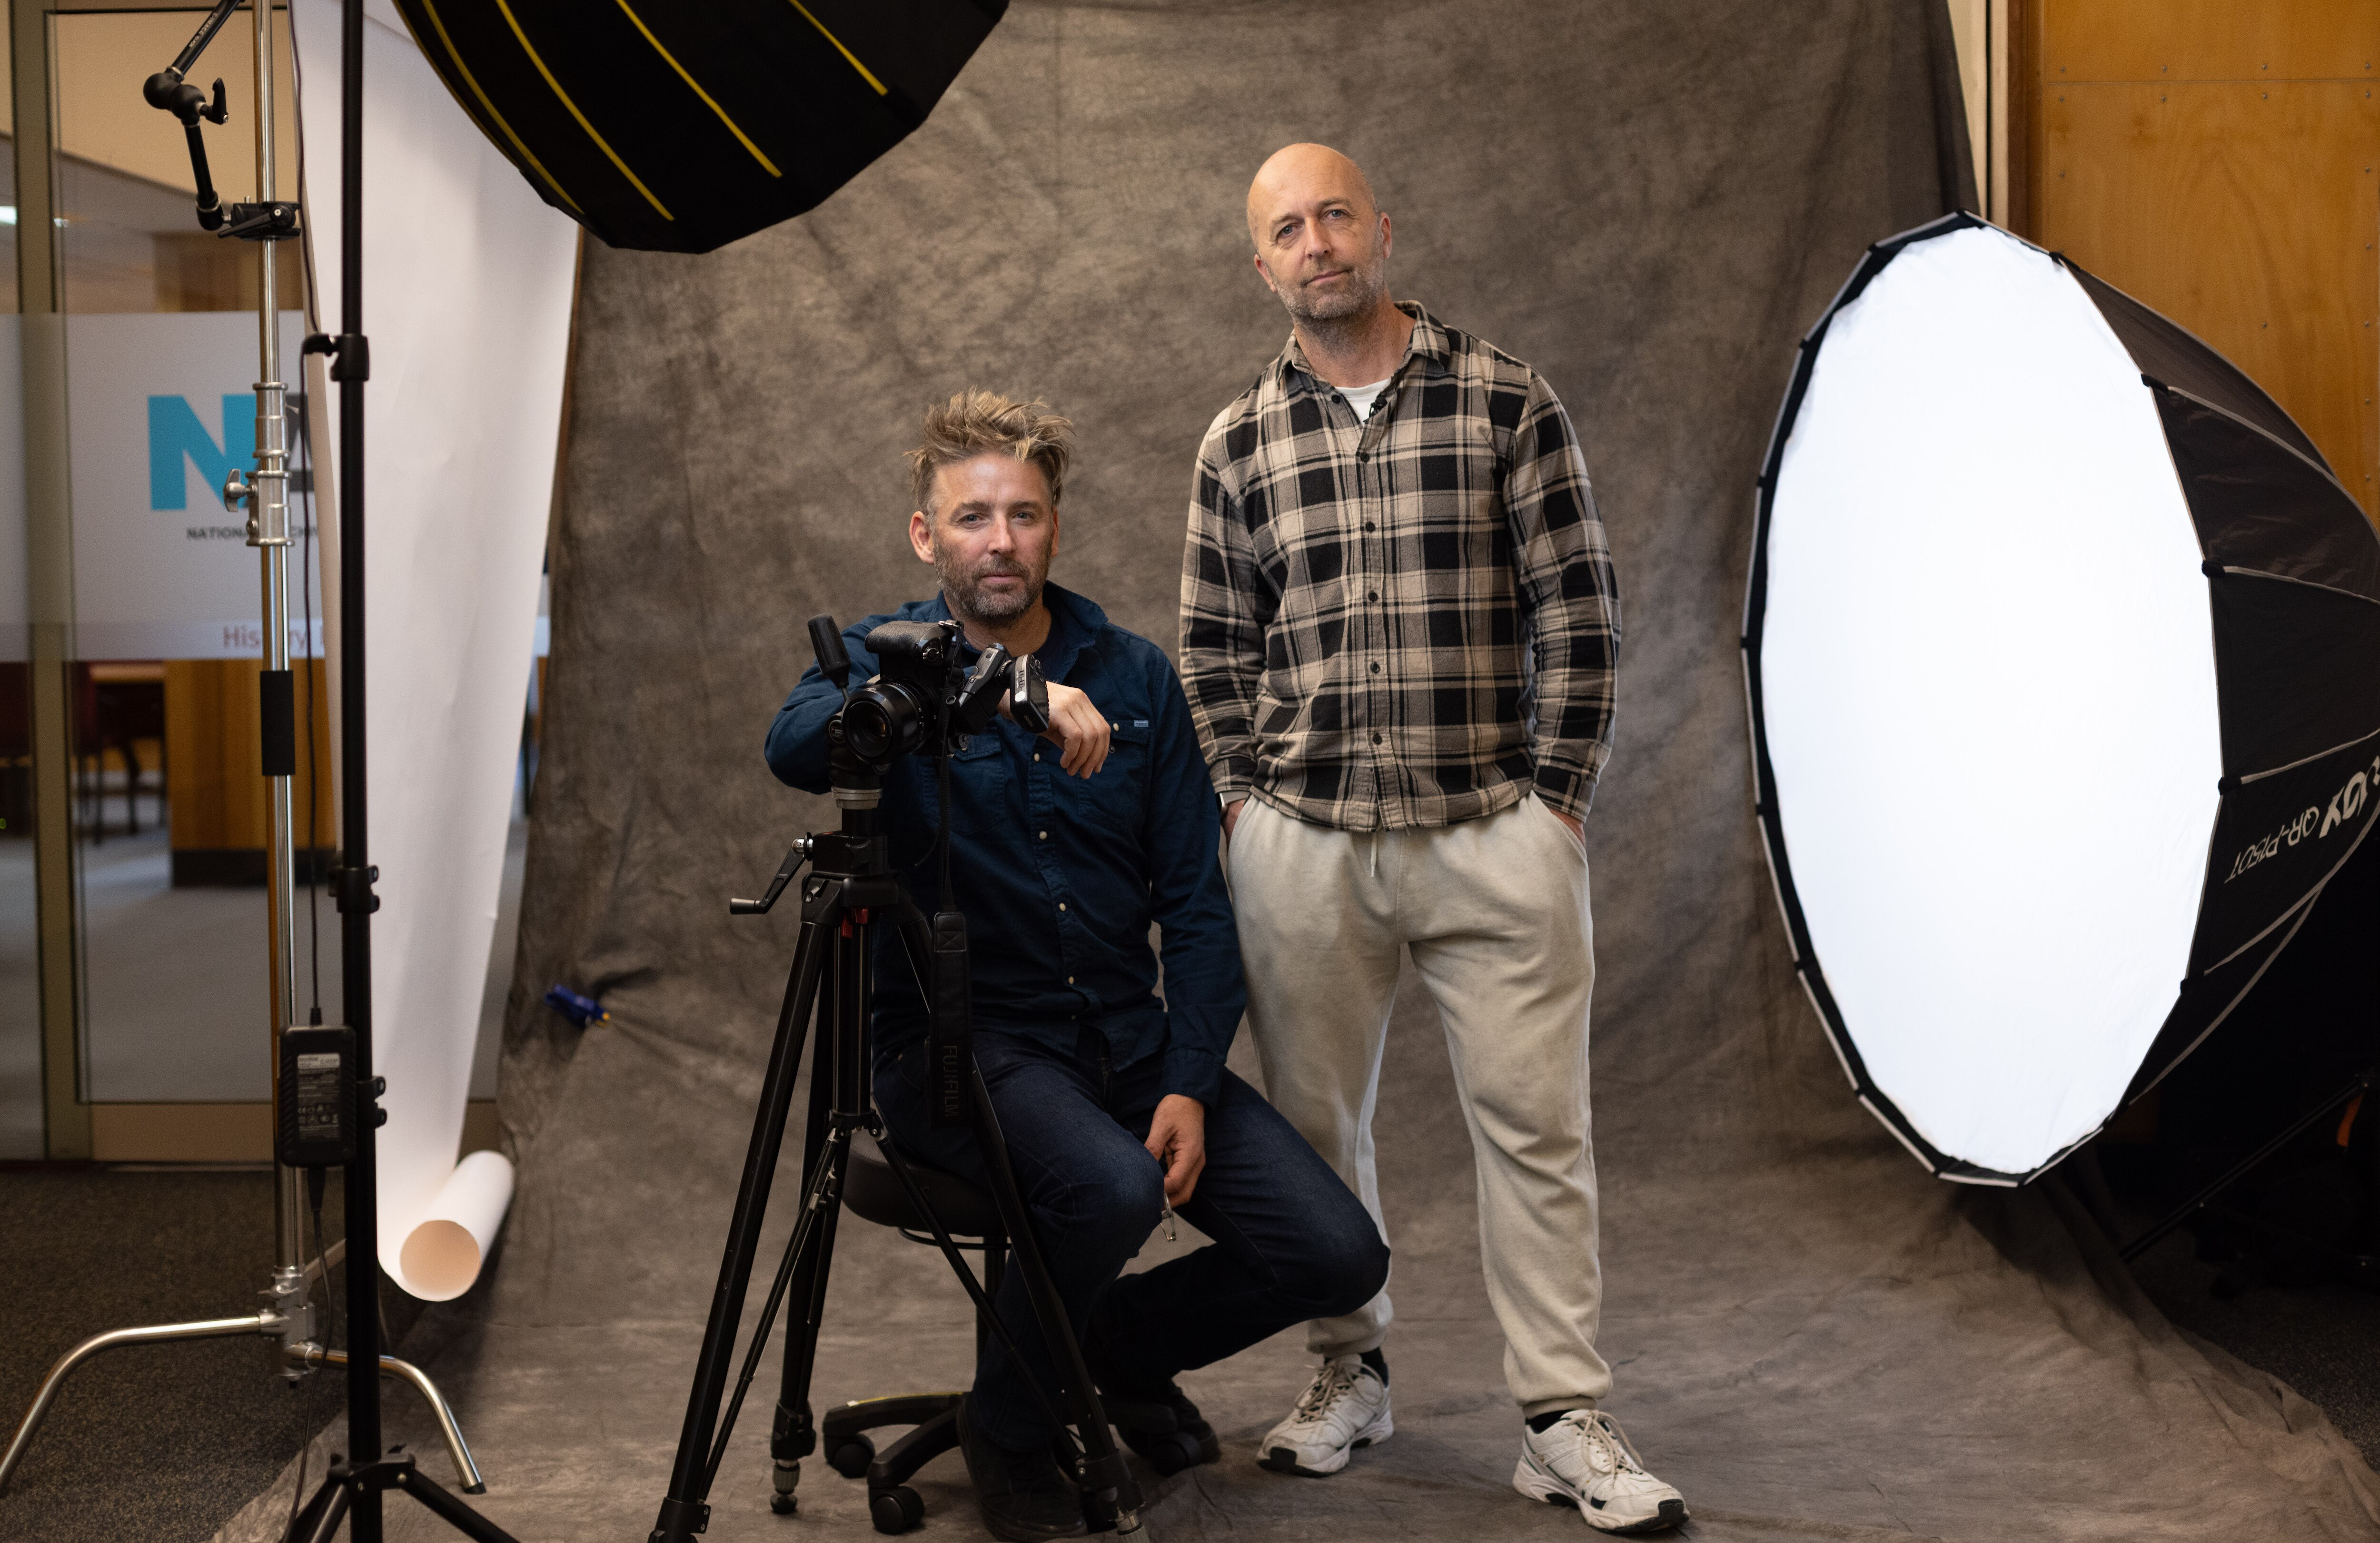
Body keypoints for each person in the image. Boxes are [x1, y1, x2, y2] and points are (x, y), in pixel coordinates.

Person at [766, 390, 1389, 1543]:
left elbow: (1199, 909)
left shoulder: (1135, 675)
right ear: (925, 536)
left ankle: (1093, 1349)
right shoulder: (882, 662)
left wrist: (1191, 1080)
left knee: (1336, 1253)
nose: (998, 541)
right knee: (1111, 1188)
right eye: (971, 518)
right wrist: (988, 683)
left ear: (1055, 529)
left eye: (1024, 515)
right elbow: (793, 746)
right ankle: (1011, 1423)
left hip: (1125, 1042)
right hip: (963, 1051)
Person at [1178, 144, 1686, 1534]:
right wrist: (1243, 805)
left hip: (1490, 829)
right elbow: (1215, 651)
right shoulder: (1240, 443)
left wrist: (1558, 803)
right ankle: (1349, 1373)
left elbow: (1580, 607)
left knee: (1538, 1131)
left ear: (1384, 228)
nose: (1317, 242)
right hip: (1306, 842)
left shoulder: (1506, 398)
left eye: (1337, 213)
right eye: (1288, 228)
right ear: (1263, 264)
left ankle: (1560, 1418)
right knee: (1313, 1137)